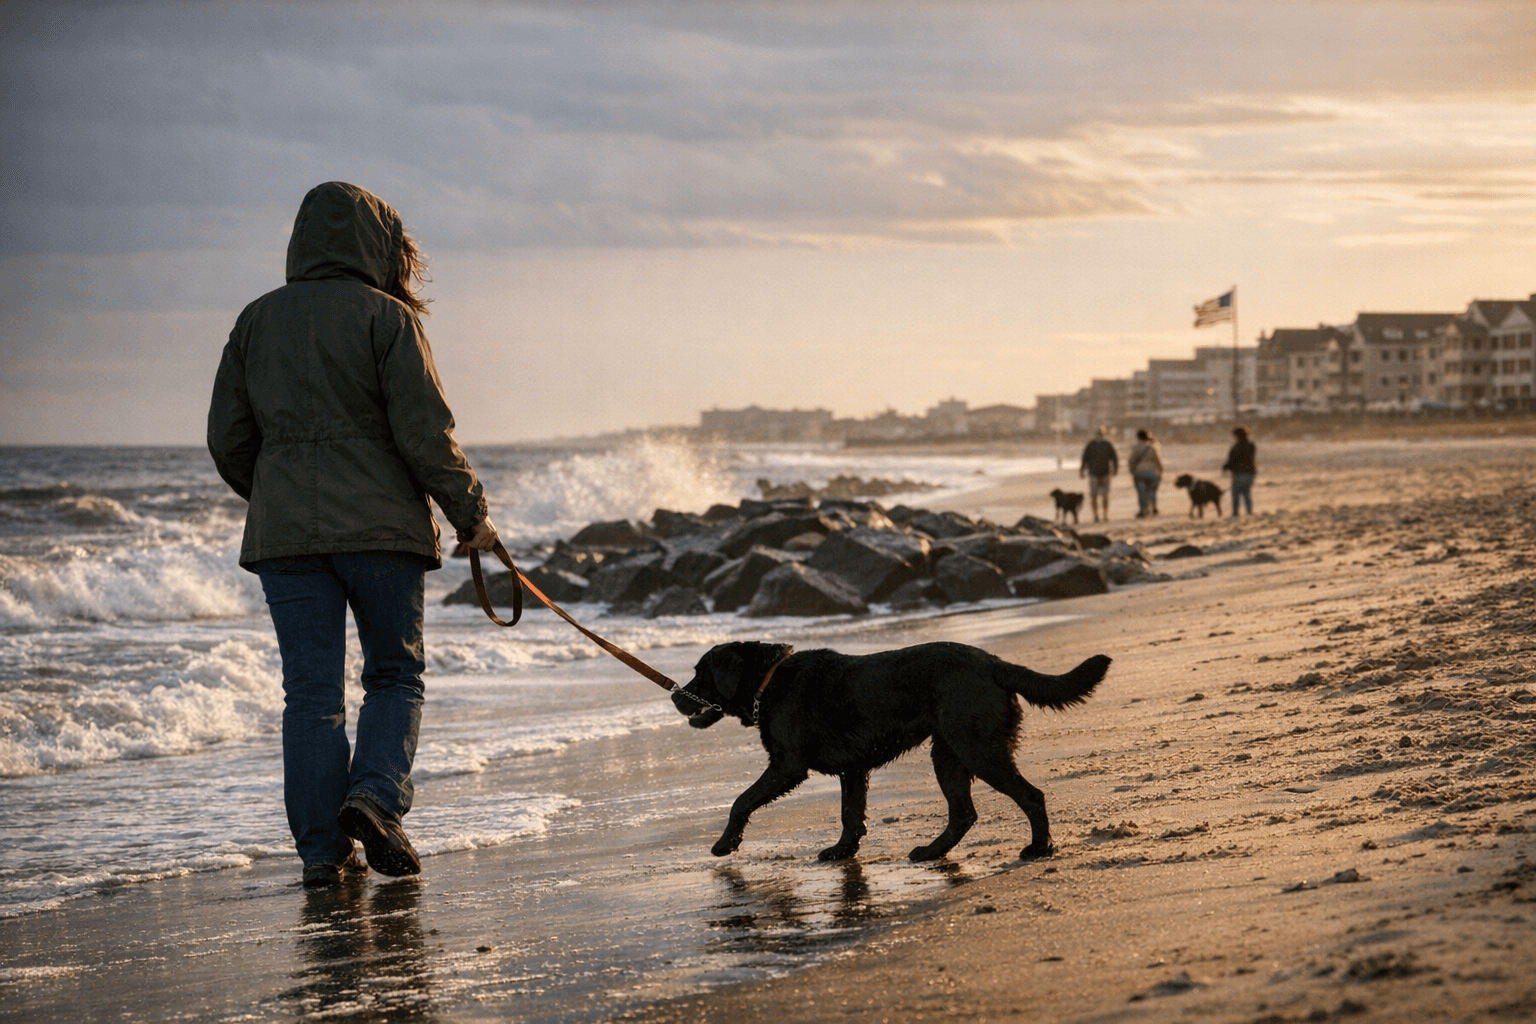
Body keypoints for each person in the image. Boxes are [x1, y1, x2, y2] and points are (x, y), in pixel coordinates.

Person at [208, 182, 499, 889]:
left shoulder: (256, 320)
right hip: (382, 533)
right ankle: (374, 798)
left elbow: (227, 439)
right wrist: (470, 515)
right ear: (380, 246)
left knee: (310, 695)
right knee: (394, 674)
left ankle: (321, 853)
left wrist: (279, 498)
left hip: (286, 541)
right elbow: (425, 432)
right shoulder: (387, 318)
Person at [1079, 426, 1119, 523]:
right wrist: (1082, 470)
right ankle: (1099, 515)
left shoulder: (1097, 444)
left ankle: (1102, 515)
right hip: (1098, 473)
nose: (1099, 435)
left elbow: (1085, 458)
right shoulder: (1103, 444)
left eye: (1100, 434)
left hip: (1100, 473)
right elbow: (1085, 458)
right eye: (1099, 433)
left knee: (1099, 495)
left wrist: (1082, 470)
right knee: (1098, 495)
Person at [1127, 428, 1164, 518]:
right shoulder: (1152, 447)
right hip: (1152, 473)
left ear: (1138, 437)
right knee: (1152, 491)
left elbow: (1131, 460)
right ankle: (1154, 508)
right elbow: (1158, 460)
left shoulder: (1136, 447)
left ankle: (1143, 510)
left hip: (1139, 473)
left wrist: (1132, 470)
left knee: (1141, 492)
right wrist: (1160, 470)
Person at [1223, 425, 1257, 516]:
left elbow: (1233, 460)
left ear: (1237, 435)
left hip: (1239, 472)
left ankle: (1235, 512)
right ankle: (1249, 512)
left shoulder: (1237, 447)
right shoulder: (1251, 445)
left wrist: (1226, 467)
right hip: (1250, 472)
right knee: (1246, 493)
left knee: (1236, 493)